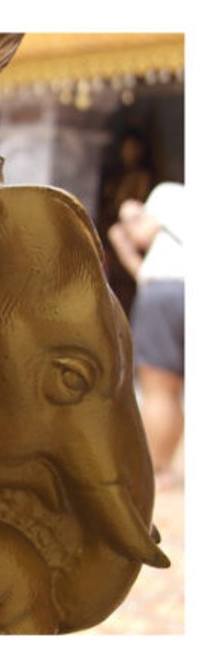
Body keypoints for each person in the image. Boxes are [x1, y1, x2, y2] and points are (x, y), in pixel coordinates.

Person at [113, 183, 185, 490]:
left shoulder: (172, 194)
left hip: (166, 292)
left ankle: (160, 471)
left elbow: (142, 235)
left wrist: (128, 215)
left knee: (160, 390)